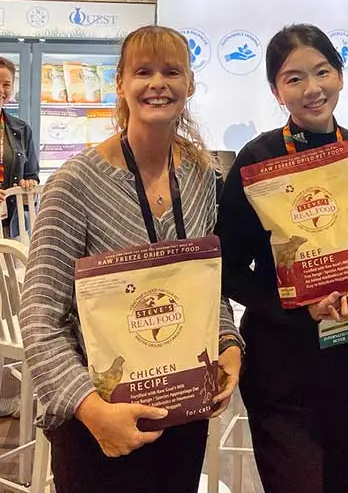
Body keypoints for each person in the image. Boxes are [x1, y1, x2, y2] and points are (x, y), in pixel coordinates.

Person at [20, 26, 243, 493]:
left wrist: (228, 344)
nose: (157, 83)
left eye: (171, 72)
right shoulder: (75, 185)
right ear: (120, 83)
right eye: (143, 72)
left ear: (190, 85)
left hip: (181, 409)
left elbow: (207, 287)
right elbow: (40, 318)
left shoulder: (202, 176)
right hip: (99, 422)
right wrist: (92, 410)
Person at [215, 23, 348, 493]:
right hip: (280, 363)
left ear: (340, 76)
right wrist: (292, 305)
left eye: (323, 71)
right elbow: (227, 268)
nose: (312, 89)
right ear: (276, 90)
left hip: (345, 357)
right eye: (294, 78)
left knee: (340, 482)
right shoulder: (257, 159)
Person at [0, 56, 39, 239]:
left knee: (10, 268)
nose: (1, 90)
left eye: (6, 84)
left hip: (10, 226)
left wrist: (29, 184)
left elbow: (31, 175)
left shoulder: (22, 129)